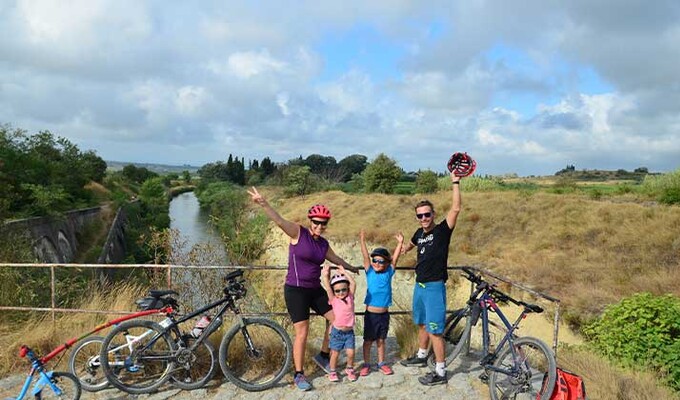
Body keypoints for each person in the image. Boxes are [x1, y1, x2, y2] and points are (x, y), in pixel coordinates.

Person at [247, 187, 358, 391]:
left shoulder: (323, 244)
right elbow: (279, 221)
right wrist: (263, 203)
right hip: (296, 290)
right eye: (316, 222)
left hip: (315, 290)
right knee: (302, 333)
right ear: (310, 221)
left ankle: (323, 356)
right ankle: (298, 374)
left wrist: (351, 267)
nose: (320, 226)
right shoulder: (299, 232)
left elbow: (335, 258)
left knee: (337, 320)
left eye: (323, 223)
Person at [399, 171, 463, 386]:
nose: (424, 218)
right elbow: (408, 247)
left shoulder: (443, 231)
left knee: (435, 330)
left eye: (427, 215)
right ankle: (420, 355)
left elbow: (455, 208)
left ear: (433, 214)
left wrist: (455, 181)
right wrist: (400, 245)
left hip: (435, 287)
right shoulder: (419, 233)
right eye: (420, 215)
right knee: (422, 324)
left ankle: (441, 372)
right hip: (420, 286)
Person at [358, 230, 403, 376]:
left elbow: (395, 260)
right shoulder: (370, 271)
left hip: (384, 314)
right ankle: (366, 364)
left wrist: (400, 243)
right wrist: (362, 240)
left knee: (381, 340)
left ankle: (381, 363)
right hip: (371, 315)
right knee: (368, 341)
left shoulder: (388, 272)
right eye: (375, 260)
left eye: (381, 261)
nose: (377, 263)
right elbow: (365, 256)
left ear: (386, 263)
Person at [321, 264, 357, 382]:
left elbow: (353, 283)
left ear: (347, 289)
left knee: (351, 353)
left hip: (349, 332)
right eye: (337, 290)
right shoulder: (334, 300)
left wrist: (344, 272)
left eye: (344, 289)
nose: (341, 292)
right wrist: (325, 275)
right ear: (334, 291)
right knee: (335, 354)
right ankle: (332, 371)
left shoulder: (350, 297)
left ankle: (349, 369)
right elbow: (327, 287)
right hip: (337, 332)